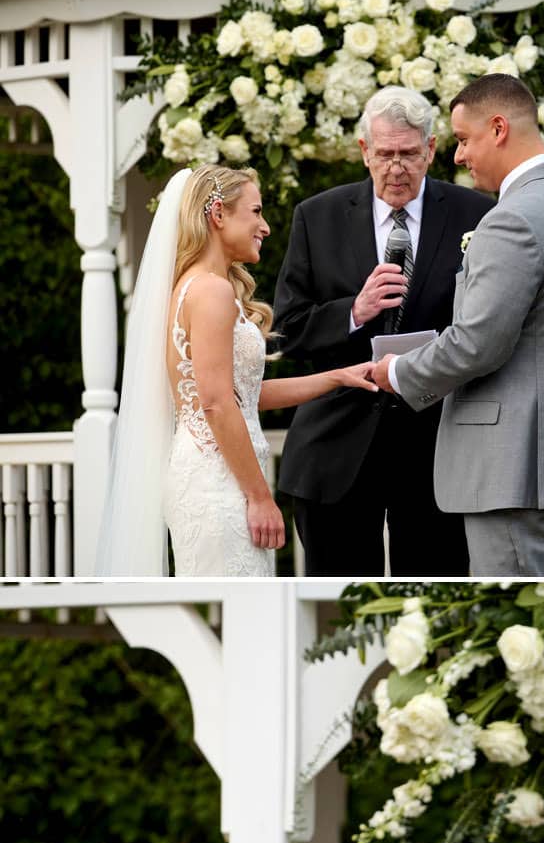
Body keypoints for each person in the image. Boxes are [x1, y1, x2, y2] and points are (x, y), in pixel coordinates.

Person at [373, 75, 544, 578]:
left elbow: (477, 343)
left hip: (514, 467)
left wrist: (398, 371)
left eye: (463, 139)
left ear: (499, 128)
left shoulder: (512, 219)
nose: (459, 157)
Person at [93, 165, 377, 578]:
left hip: (217, 474)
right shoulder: (211, 290)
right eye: (256, 212)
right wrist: (260, 496)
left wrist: (337, 377)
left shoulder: (196, 286)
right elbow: (216, 403)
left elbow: (244, 395)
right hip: (219, 482)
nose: (264, 226)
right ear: (218, 215)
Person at [271, 86, 494, 576]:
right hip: (336, 450)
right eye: (385, 154)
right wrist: (354, 310)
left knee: (436, 594)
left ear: (432, 150)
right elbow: (286, 331)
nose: (397, 168)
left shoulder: (475, 215)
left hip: (438, 448)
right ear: (364, 152)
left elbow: (490, 323)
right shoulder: (318, 216)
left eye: (410, 154)